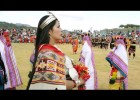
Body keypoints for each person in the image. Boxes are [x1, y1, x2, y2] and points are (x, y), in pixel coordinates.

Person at [27, 12, 85, 90]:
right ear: (49, 31)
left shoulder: (52, 49)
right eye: (58, 27)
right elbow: (55, 84)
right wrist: (79, 82)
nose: (61, 29)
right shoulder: (47, 54)